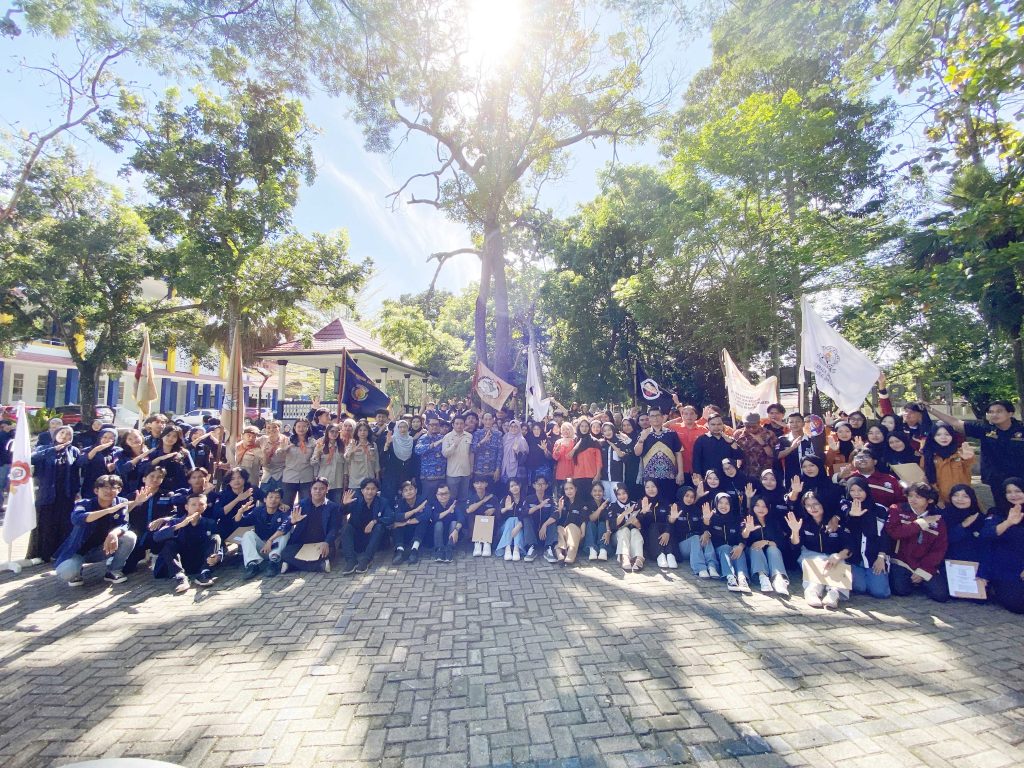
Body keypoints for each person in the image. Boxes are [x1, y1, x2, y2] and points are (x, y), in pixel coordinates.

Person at [53, 474, 154, 587]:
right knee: (67, 572)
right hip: (78, 551)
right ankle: (76, 570)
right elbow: (77, 519)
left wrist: (113, 533)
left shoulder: (121, 502)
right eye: (105, 487)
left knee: (130, 536)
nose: (109, 491)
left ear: (119, 490)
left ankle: (114, 570)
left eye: (113, 487)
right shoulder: (84, 503)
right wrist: (108, 511)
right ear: (96, 490)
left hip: (104, 549)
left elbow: (124, 524)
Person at [930, 400, 1024, 494]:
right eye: (991, 412)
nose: (994, 414)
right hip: (996, 479)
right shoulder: (984, 429)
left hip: (1020, 477)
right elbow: (955, 422)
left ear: (1010, 413)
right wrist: (930, 409)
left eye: (999, 411)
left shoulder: (1021, 430)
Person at [786, 490, 851, 609]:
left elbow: (849, 546)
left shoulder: (834, 522)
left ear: (822, 504)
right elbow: (795, 545)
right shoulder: (803, 522)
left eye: (816, 504)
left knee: (840, 563)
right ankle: (812, 592)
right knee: (816, 562)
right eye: (808, 505)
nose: (812, 508)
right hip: (810, 554)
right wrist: (795, 531)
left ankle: (834, 593)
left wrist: (838, 556)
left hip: (833, 554)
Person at [885, 482, 949, 602]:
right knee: (901, 590)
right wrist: (920, 524)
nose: (913, 499)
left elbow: (939, 549)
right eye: (910, 496)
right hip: (901, 561)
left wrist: (923, 570)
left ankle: (920, 582)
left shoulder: (937, 519)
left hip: (924, 563)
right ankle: (914, 582)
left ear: (929, 500)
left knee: (941, 595)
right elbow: (894, 533)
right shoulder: (897, 509)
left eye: (918, 497)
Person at [149, 492, 222, 593]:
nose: (197, 507)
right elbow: (156, 537)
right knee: (169, 543)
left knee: (215, 537)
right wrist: (180, 525)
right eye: (193, 504)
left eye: (201, 504)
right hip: (179, 561)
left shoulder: (210, 522)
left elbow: (220, 545)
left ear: (205, 506)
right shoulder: (175, 521)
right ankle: (180, 577)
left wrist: (218, 556)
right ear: (186, 507)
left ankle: (205, 572)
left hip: (199, 561)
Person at [28, 425, 81, 562]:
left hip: (66, 494)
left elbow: (75, 473)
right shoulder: (44, 448)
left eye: (68, 434)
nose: (64, 436)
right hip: (47, 493)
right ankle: (41, 554)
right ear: (55, 434)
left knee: (63, 524)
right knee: (46, 524)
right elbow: (32, 459)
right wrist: (53, 450)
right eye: (62, 433)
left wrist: (76, 491)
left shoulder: (74, 451)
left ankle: (58, 553)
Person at [842, 477, 891, 600]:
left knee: (880, 592)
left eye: (860, 490)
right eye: (852, 490)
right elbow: (844, 528)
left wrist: (881, 557)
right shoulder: (845, 506)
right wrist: (852, 515)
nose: (856, 494)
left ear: (866, 491)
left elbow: (885, 535)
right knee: (859, 588)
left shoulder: (880, 510)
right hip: (854, 558)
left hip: (873, 557)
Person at [279, 476, 339, 575]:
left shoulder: (333, 507)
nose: (318, 491)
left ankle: (292, 566)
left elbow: (334, 528)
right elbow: (288, 521)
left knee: (329, 553)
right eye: (315, 488)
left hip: (321, 543)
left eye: (322, 489)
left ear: (327, 490)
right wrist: (292, 522)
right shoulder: (301, 504)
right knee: (285, 553)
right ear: (310, 490)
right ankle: (319, 566)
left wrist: (327, 542)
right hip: (302, 544)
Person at [981, 478, 1024, 613]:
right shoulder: (996, 512)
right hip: (1006, 567)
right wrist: (1009, 522)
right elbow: (987, 534)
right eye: (1009, 492)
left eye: (1018, 491)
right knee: (1017, 604)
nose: (1013, 495)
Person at [235, 486, 292, 578]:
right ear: (265, 499)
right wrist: (240, 512)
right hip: (263, 548)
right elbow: (241, 522)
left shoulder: (284, 511)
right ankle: (252, 564)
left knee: (285, 532)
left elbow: (285, 527)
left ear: (281, 500)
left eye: (277, 497)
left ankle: (274, 562)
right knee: (248, 534)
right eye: (270, 497)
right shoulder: (258, 511)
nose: (273, 500)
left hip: (278, 548)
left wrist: (270, 540)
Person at [338, 477, 392, 575]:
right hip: (358, 538)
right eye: (367, 489)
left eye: (373, 489)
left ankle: (366, 560)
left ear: (377, 490)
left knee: (379, 527)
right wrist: (344, 504)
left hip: (374, 539)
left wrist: (374, 521)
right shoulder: (355, 501)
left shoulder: (383, 502)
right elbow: (342, 512)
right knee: (346, 528)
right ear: (362, 491)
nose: (370, 492)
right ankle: (351, 561)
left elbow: (390, 517)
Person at [634, 406, 685, 503]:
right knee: (651, 504)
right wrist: (641, 439)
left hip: (669, 476)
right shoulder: (644, 434)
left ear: (662, 417)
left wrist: (680, 473)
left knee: (669, 503)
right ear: (649, 418)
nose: (655, 418)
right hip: (650, 479)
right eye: (652, 416)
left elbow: (678, 453)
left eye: (658, 415)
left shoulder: (671, 434)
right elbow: (637, 453)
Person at [741, 495, 789, 594]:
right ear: (753, 506)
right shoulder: (748, 519)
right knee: (756, 548)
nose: (761, 509)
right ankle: (763, 577)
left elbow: (781, 541)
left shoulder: (773, 521)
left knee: (773, 549)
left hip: (771, 555)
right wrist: (747, 530)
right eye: (757, 506)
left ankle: (778, 578)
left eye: (764, 506)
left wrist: (766, 542)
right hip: (754, 554)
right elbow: (743, 537)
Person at [704, 492, 750, 592]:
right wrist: (706, 520)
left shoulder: (736, 519)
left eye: (726, 503)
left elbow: (741, 536)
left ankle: (742, 578)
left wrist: (740, 546)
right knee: (725, 548)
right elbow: (705, 528)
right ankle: (730, 577)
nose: (723, 506)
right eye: (720, 503)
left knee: (738, 549)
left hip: (732, 549)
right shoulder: (712, 516)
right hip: (718, 552)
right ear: (716, 503)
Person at [922, 423, 974, 503]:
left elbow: (968, 465)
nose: (943, 437)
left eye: (947, 434)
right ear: (933, 437)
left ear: (952, 435)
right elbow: (925, 478)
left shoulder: (960, 453)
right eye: (938, 434)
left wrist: (968, 458)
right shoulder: (928, 455)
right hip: (939, 500)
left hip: (960, 499)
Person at [941, 483, 987, 565]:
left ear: (972, 498)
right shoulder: (944, 515)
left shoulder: (979, 517)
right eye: (955, 495)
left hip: (976, 563)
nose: (959, 499)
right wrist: (963, 525)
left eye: (965, 496)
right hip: (950, 562)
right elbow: (945, 539)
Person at [674, 485, 715, 577]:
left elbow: (702, 526)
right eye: (687, 496)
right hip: (682, 546)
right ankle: (700, 568)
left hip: (697, 545)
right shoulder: (675, 508)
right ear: (681, 495)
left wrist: (706, 531)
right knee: (695, 538)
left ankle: (712, 566)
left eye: (692, 497)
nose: (689, 499)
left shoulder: (696, 510)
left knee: (706, 536)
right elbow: (671, 525)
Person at [549, 478, 588, 566]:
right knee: (559, 528)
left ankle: (570, 555)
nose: (569, 491)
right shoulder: (562, 502)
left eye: (571, 488)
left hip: (575, 532)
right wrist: (560, 509)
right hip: (563, 532)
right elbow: (558, 519)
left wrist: (583, 533)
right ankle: (559, 554)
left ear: (576, 489)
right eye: (566, 489)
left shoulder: (582, 503)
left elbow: (583, 519)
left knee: (571, 526)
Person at [391, 480, 430, 564]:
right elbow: (397, 517)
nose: (409, 492)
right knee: (396, 525)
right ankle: (400, 551)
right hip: (405, 532)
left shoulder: (423, 500)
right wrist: (415, 510)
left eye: (411, 489)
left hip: (420, 534)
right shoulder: (399, 502)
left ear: (416, 490)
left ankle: (414, 550)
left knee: (423, 522)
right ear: (402, 494)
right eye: (405, 490)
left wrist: (408, 522)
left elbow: (427, 515)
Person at [381, 419, 419, 503]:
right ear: (397, 428)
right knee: (390, 497)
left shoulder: (411, 440)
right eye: (400, 427)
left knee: (405, 498)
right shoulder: (392, 439)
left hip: (406, 474)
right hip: (392, 473)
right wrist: (387, 444)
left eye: (405, 427)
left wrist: (413, 475)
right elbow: (383, 458)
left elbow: (414, 459)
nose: (403, 429)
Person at [77, 427, 122, 497]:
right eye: (105, 437)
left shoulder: (119, 451)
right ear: (100, 437)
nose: (107, 440)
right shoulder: (89, 449)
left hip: (112, 487)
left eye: (111, 438)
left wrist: (115, 466)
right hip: (92, 486)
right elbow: (80, 463)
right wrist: (95, 450)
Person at [775, 412, 816, 484]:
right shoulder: (782, 440)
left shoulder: (811, 440)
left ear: (803, 423)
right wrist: (791, 448)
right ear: (788, 425)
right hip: (789, 480)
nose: (794, 424)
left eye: (798, 421)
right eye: (791, 422)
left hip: (810, 479)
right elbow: (776, 456)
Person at [494, 479, 529, 561]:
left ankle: (515, 549)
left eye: (516, 485)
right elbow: (498, 514)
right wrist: (506, 508)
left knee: (516, 520)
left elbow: (528, 515)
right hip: (504, 530)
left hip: (520, 529)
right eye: (512, 486)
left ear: (520, 486)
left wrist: (518, 526)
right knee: (511, 520)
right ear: (509, 489)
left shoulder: (526, 499)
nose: (515, 487)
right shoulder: (506, 499)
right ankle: (508, 548)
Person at [733, 413, 776, 478]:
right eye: (748, 426)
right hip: (745, 472)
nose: (751, 429)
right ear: (744, 424)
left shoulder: (769, 434)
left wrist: (762, 443)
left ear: (759, 423)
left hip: (764, 474)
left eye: (754, 426)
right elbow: (734, 453)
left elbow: (773, 455)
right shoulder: (738, 434)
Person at [441, 415, 473, 502]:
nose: (459, 426)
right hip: (452, 473)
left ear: (464, 424)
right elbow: (445, 454)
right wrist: (454, 445)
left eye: (461, 423)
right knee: (451, 498)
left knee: (464, 498)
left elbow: (470, 453)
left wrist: (471, 469)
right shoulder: (447, 437)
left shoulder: (469, 436)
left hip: (466, 472)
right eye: (457, 423)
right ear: (453, 425)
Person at [428, 484, 463, 563]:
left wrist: (456, 530)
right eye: (441, 494)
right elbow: (434, 517)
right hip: (437, 536)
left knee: (454, 523)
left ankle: (449, 549)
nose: (443, 496)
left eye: (446, 493)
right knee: (438, 523)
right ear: (436, 495)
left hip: (451, 535)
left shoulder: (454, 503)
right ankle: (439, 549)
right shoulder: (433, 504)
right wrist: (448, 511)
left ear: (449, 494)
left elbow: (461, 518)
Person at [313, 424, 347, 504]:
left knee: (336, 505)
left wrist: (345, 478)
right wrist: (318, 453)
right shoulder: (321, 444)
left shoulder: (342, 446)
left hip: (337, 482)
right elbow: (313, 462)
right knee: (321, 504)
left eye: (336, 432)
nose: (334, 434)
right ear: (327, 432)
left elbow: (345, 464)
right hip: (323, 481)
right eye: (332, 431)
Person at [415, 416, 448, 501]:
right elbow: (417, 450)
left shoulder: (443, 438)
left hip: (441, 476)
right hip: (428, 477)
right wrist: (432, 445)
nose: (434, 427)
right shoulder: (423, 438)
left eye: (437, 425)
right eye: (432, 425)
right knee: (428, 502)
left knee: (441, 500)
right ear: (427, 425)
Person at [464, 477, 498, 557]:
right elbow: (468, 510)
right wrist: (483, 501)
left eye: (482, 483)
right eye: (477, 483)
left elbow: (499, 510)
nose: (479, 485)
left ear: (486, 484)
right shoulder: (471, 497)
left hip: (489, 528)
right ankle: (477, 543)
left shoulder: (492, 497)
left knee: (489, 516)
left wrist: (494, 509)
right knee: (472, 515)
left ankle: (487, 544)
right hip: (474, 528)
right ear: (473, 485)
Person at [582, 480, 612, 561]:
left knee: (602, 524)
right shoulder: (587, 504)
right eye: (595, 491)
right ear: (591, 493)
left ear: (603, 492)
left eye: (600, 491)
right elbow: (591, 518)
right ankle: (592, 549)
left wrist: (608, 531)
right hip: (591, 534)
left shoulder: (608, 504)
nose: (597, 493)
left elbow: (608, 520)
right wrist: (600, 509)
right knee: (590, 524)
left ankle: (603, 549)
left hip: (603, 532)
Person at [258, 420, 287, 494]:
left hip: (280, 475)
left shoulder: (286, 440)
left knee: (280, 497)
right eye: (268, 428)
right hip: (266, 474)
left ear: (279, 428)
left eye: (274, 427)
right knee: (263, 497)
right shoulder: (262, 439)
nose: (271, 429)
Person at [500, 419, 529, 489]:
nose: (513, 428)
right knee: (504, 489)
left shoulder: (521, 440)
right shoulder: (505, 437)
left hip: (515, 468)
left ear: (519, 428)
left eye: (516, 426)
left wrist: (517, 451)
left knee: (514, 488)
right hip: (504, 466)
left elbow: (526, 455)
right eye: (511, 426)